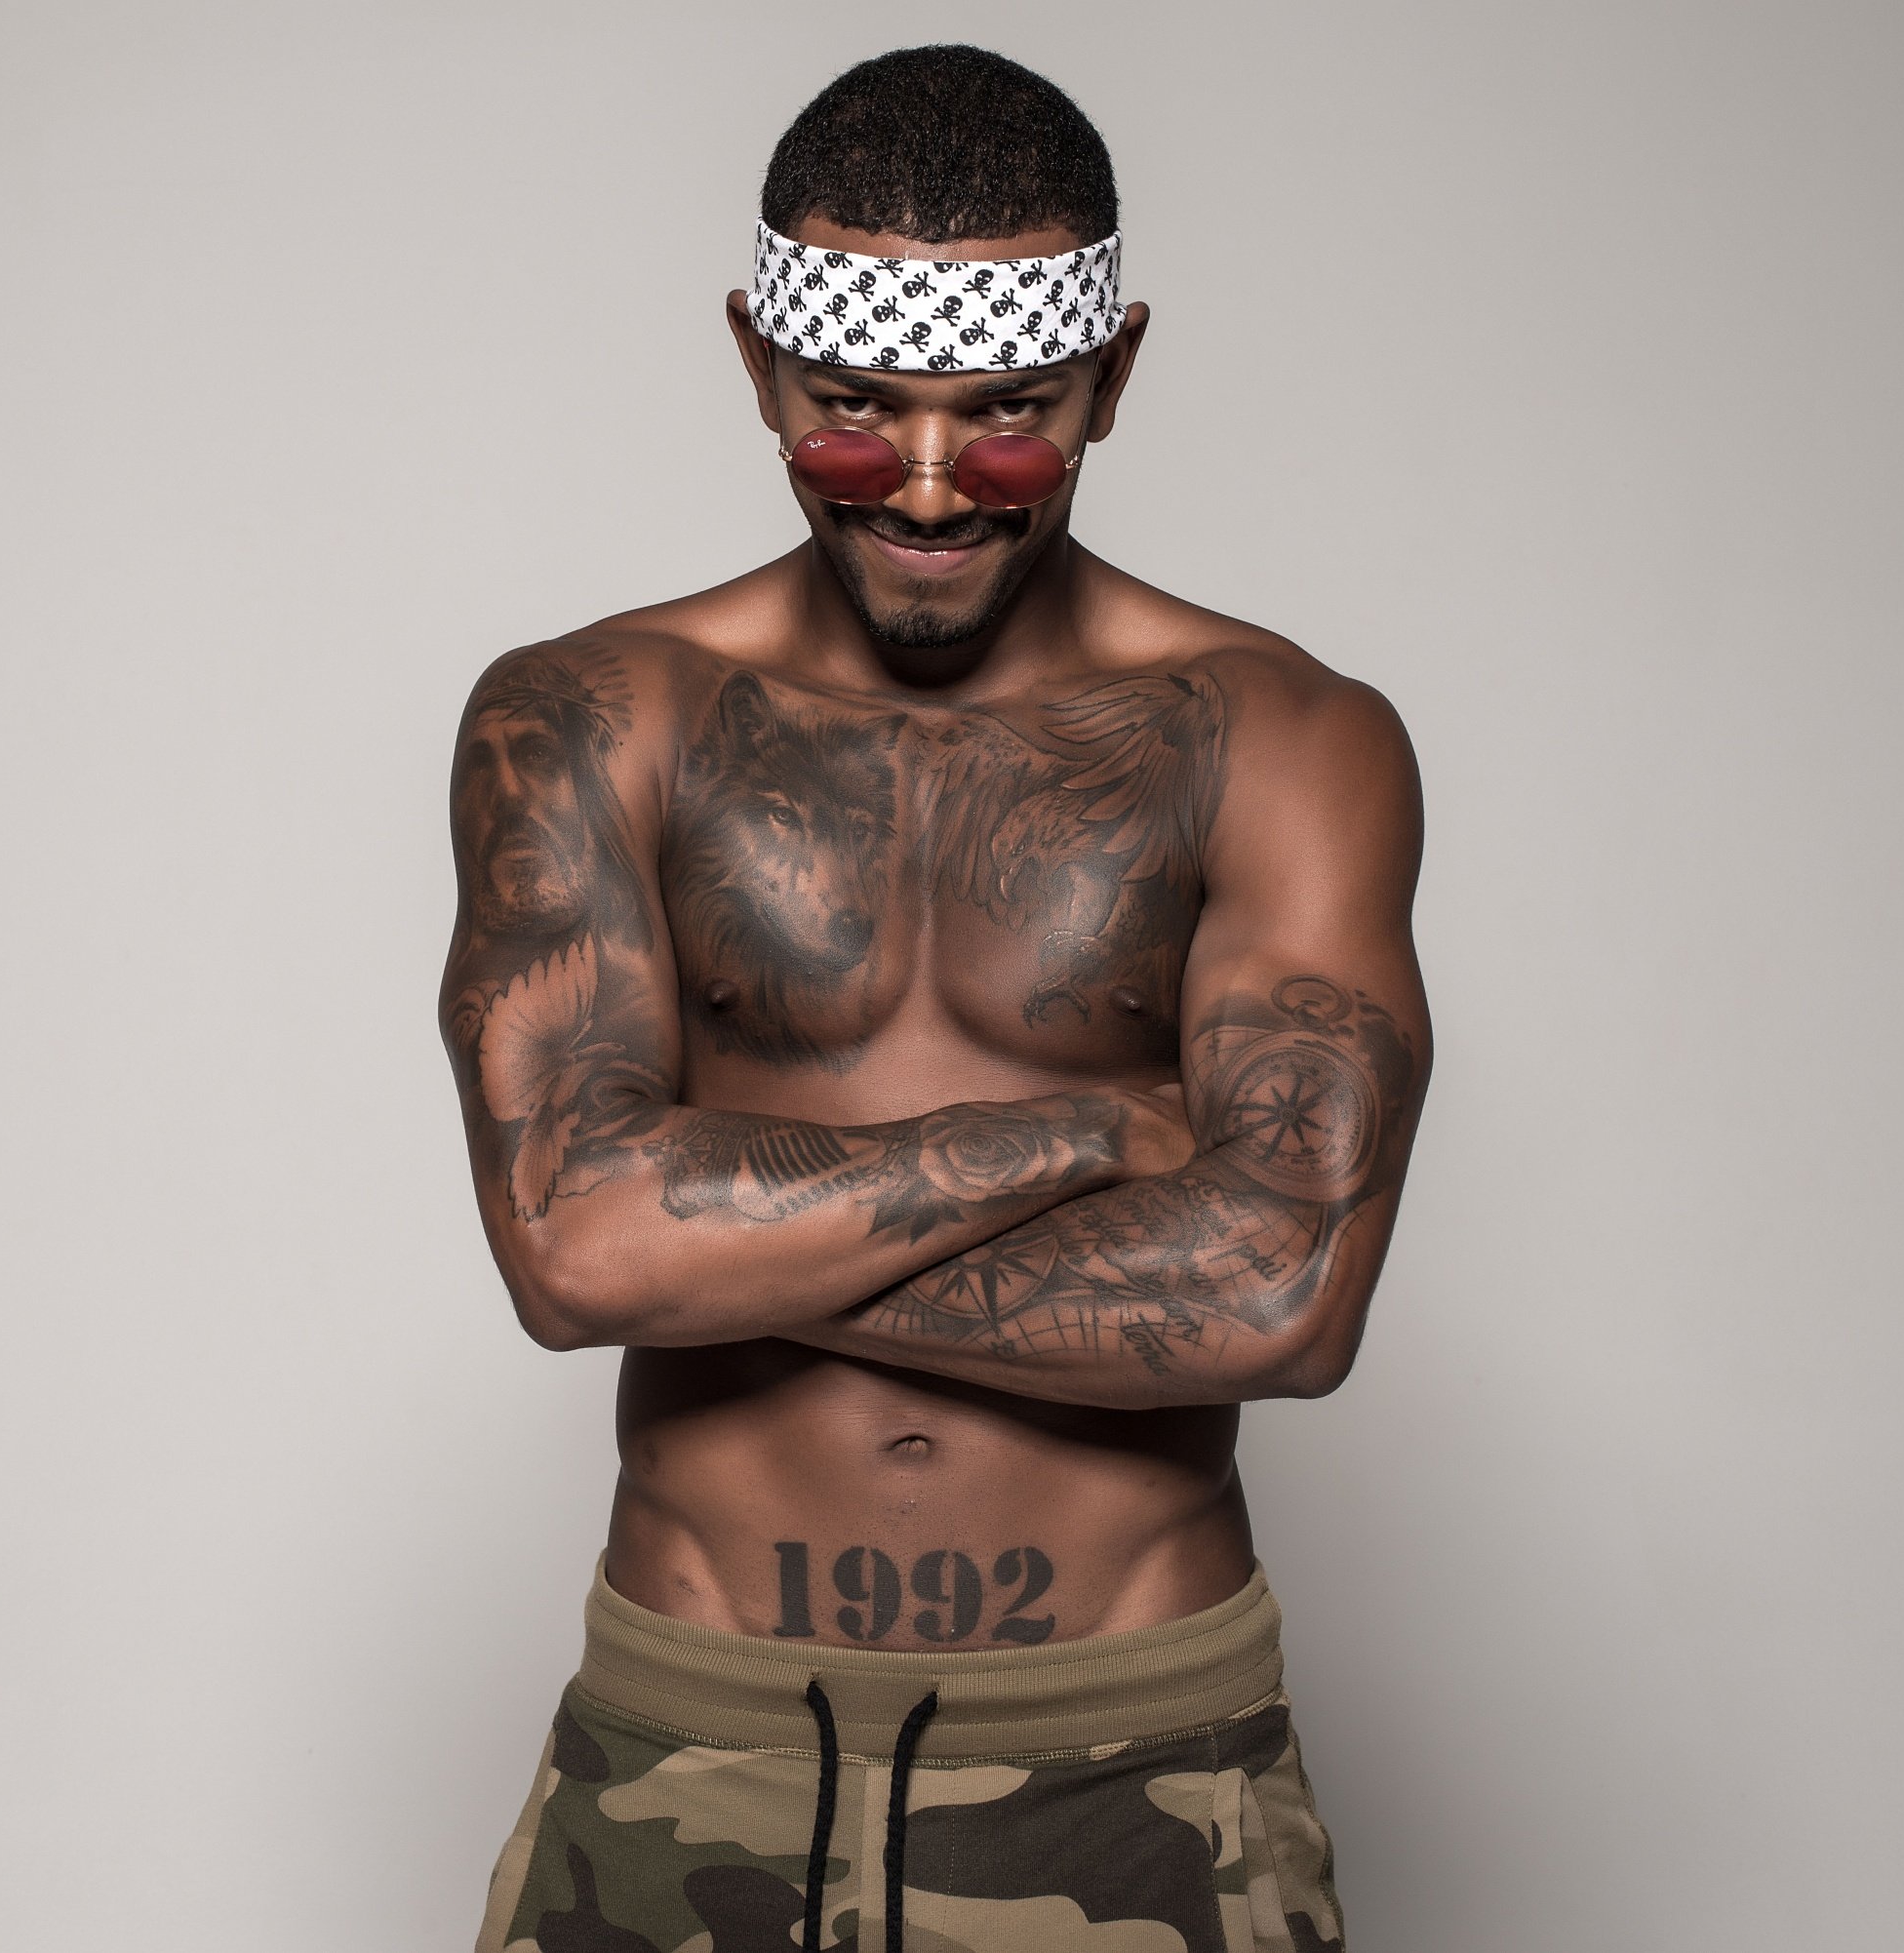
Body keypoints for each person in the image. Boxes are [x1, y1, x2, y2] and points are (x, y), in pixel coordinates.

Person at [445, 44, 1426, 1953]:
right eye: (852, 407)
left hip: (1142, 1768)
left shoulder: (1284, 737)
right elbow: (572, 1247)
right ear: (759, 363)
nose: (923, 483)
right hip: (689, 1748)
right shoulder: (591, 716)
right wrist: (1095, 1132)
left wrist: (709, 1235)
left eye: (1006, 415)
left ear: (1112, 376)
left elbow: (1282, 1294)